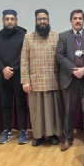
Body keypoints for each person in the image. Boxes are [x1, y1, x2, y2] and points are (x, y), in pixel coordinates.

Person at [56, 9, 84, 151]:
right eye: (75, 18)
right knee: (68, 110)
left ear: (83, 21)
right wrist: (74, 70)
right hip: (69, 78)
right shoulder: (63, 36)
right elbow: (60, 56)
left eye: (80, 18)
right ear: (71, 21)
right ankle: (68, 138)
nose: (77, 21)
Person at [20, 9, 63, 147]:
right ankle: (38, 136)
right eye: (40, 19)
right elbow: (24, 60)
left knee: (53, 110)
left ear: (48, 20)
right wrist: (25, 80)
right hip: (35, 80)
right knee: (36, 110)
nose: (42, 22)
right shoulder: (28, 37)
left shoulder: (57, 36)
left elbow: (62, 58)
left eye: (45, 19)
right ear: (35, 21)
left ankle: (53, 135)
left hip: (53, 79)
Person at [0, 9, 28, 145]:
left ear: (16, 20)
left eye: (12, 19)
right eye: (7, 19)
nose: (10, 21)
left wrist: (12, 68)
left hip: (19, 76)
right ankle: (7, 130)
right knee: (5, 104)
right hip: (3, 75)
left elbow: (25, 54)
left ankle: (23, 130)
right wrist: (3, 68)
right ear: (3, 21)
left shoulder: (24, 35)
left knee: (21, 103)